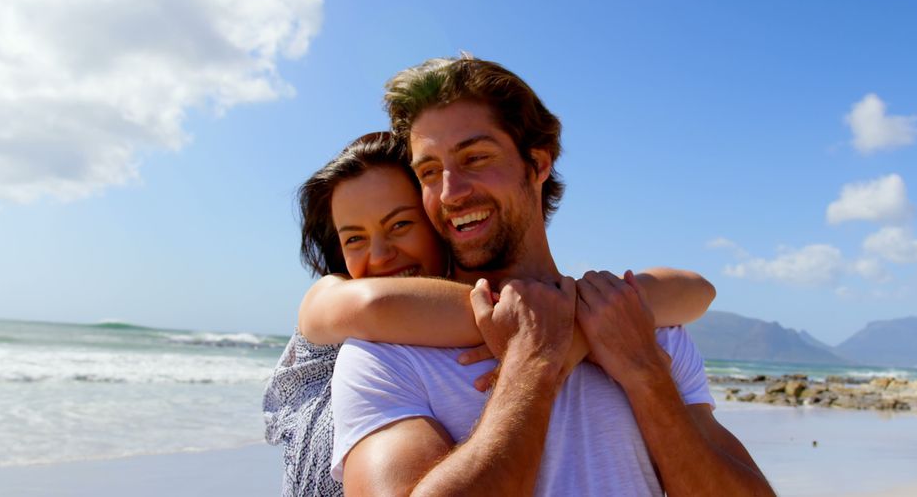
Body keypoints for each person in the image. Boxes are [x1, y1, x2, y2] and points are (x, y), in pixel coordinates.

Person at [330, 57, 775, 495]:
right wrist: (532, 367)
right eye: (429, 172)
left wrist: (644, 373)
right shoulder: (384, 354)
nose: (451, 192)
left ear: (538, 164)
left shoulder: (639, 326)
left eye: (476, 157)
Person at [263, 132, 717, 496]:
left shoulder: (532, 304)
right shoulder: (340, 301)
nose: (380, 255)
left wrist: (567, 323)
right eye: (354, 238)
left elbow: (697, 290)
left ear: (439, 220)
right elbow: (374, 303)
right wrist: (562, 332)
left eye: (401, 224)